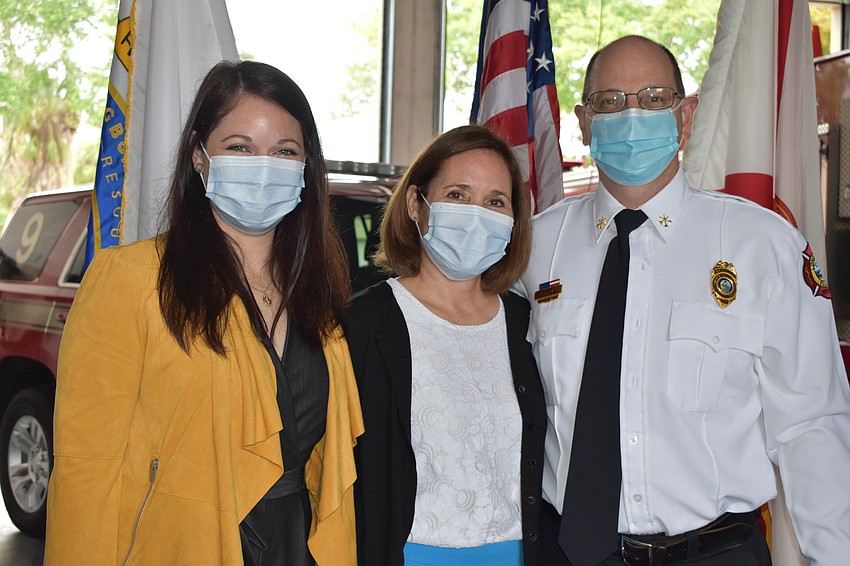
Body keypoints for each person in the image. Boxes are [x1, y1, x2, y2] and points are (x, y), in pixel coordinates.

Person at [516, 35, 850, 566]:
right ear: (583, 120)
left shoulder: (761, 245)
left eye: (653, 99)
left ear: (685, 115)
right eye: (610, 101)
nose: (631, 117)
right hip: (565, 552)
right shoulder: (535, 250)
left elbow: (810, 425)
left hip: (714, 553)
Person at [44, 60, 363, 565]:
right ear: (199, 155)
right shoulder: (130, 280)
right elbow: (86, 469)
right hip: (182, 546)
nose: (264, 165)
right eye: (240, 147)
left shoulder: (318, 296)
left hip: (298, 546)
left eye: (285, 151)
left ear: (307, 167)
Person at [344, 125, 546, 566]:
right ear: (417, 204)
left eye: (495, 201)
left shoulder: (524, 321)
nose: (477, 214)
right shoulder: (364, 324)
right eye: (457, 194)